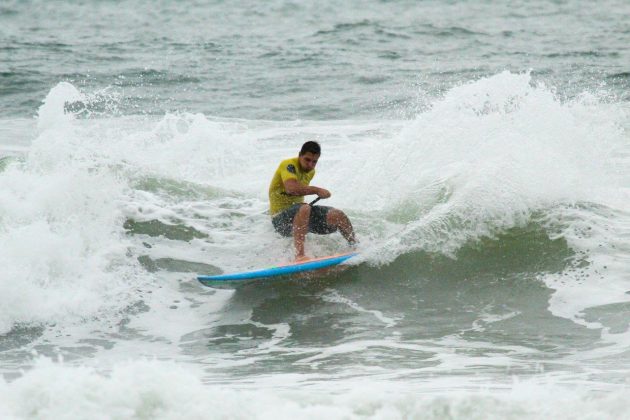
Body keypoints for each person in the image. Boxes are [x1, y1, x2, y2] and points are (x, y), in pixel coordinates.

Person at [268, 141, 356, 261]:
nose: (310, 165)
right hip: (280, 221)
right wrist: (317, 190)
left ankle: (355, 246)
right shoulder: (288, 165)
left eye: (314, 161)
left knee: (338, 215)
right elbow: (291, 188)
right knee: (305, 207)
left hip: (300, 217)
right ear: (300, 155)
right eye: (307, 160)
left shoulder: (311, 171)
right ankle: (299, 256)